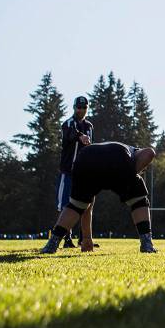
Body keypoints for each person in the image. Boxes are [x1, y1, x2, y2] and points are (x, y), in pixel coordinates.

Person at [40, 142, 157, 254]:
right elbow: (149, 152)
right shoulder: (134, 152)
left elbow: (87, 207)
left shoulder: (111, 147)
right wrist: (133, 173)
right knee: (139, 200)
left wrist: (87, 239)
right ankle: (146, 244)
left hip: (84, 157)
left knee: (77, 205)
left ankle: (52, 244)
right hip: (118, 156)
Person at [57, 96, 94, 250]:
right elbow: (70, 135)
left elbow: (92, 147)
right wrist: (81, 137)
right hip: (69, 172)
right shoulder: (68, 124)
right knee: (64, 205)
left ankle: (84, 238)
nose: (81, 110)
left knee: (86, 206)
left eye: (84, 107)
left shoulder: (90, 126)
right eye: (79, 107)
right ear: (74, 108)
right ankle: (65, 238)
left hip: (84, 174)